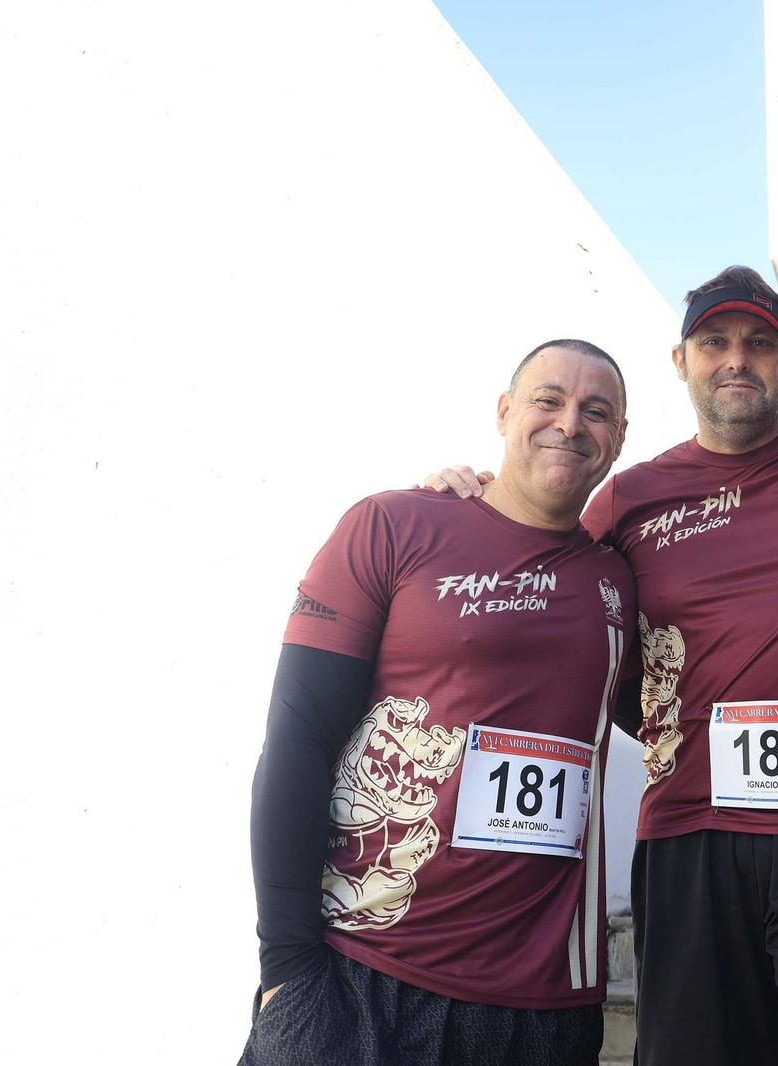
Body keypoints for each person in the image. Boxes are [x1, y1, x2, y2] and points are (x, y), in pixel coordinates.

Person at [427, 267, 778, 1066]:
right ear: (681, 360)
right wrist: (462, 504)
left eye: (759, 345)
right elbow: (555, 593)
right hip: (688, 839)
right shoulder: (628, 499)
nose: (738, 360)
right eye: (715, 343)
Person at [243, 340, 636, 1066]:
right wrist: (287, 971)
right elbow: (297, 740)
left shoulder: (620, 576)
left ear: (618, 441)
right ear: (504, 412)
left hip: (543, 1011)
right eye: (548, 400)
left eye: (597, 411)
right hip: (362, 977)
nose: (571, 423)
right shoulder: (393, 525)